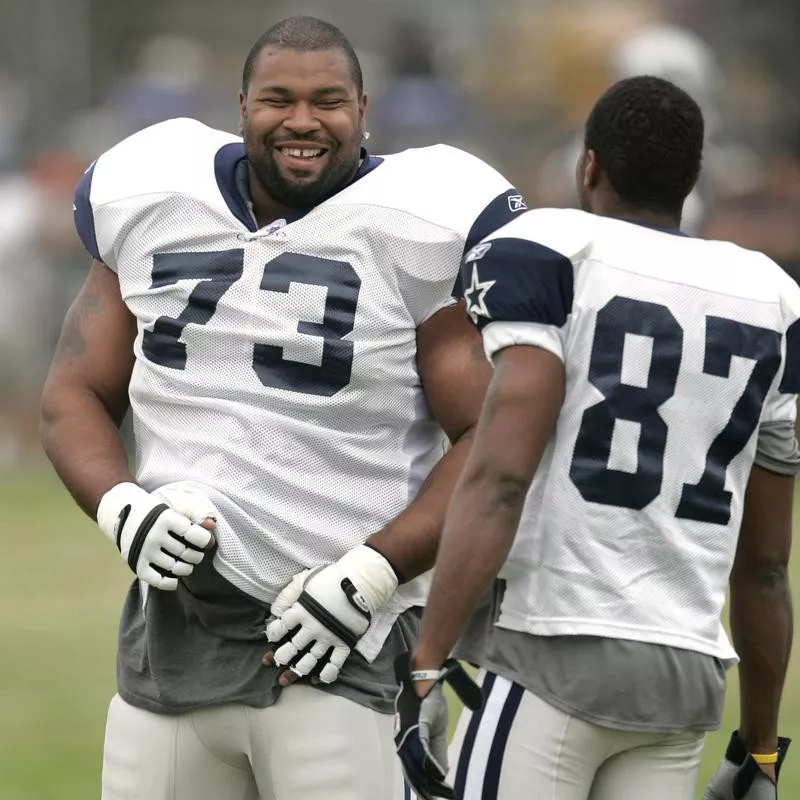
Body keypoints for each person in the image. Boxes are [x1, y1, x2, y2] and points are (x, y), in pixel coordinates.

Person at [40, 15, 526, 800]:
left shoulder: (418, 223)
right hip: (172, 644)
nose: (303, 120)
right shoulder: (157, 193)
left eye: (328, 100)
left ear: (364, 109)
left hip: (339, 641)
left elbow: (490, 435)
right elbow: (73, 392)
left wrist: (375, 571)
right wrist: (122, 506)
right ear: (241, 107)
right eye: (279, 100)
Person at [393, 75, 796, 800]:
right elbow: (766, 567)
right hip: (684, 679)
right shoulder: (773, 298)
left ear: (589, 167)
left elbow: (501, 478)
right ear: (692, 179)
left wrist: (428, 661)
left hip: (555, 644)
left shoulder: (552, 251)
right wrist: (761, 751)